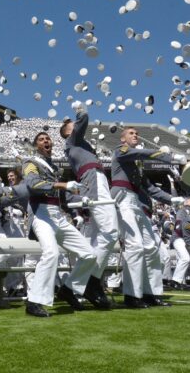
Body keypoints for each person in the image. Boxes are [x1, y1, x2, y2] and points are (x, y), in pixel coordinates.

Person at [19, 130, 96, 317]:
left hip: (57, 216)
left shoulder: (53, 168)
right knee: (51, 253)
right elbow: (33, 184)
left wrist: (82, 198)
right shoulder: (30, 163)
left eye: (48, 139)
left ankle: (68, 289)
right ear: (36, 145)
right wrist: (63, 185)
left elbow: (63, 194)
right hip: (41, 214)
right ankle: (34, 301)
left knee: (89, 254)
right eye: (41, 139)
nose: (46, 141)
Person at [110, 126, 185, 308]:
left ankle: (151, 292)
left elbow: (150, 189)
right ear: (122, 139)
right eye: (131, 133)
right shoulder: (121, 151)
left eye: (137, 133)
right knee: (135, 246)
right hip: (122, 199)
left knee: (151, 247)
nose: (135, 135)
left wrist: (172, 199)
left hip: (134, 201)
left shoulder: (137, 164)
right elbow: (141, 153)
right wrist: (169, 157)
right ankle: (132, 295)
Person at [59, 103, 115, 308]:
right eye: (71, 125)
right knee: (110, 232)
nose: (75, 126)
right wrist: (81, 111)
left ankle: (70, 287)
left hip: (96, 181)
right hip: (94, 180)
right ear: (68, 132)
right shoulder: (72, 142)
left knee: (95, 242)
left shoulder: (78, 145)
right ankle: (92, 282)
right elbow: (82, 122)